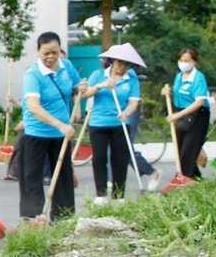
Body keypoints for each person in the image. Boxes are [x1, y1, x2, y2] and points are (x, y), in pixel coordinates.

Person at [18, 32, 86, 221]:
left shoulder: (66, 66)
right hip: (36, 132)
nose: (50, 57)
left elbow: (77, 88)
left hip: (61, 133)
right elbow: (33, 107)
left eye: (54, 52)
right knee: (32, 175)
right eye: (46, 53)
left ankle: (63, 217)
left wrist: (81, 92)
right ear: (38, 51)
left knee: (63, 176)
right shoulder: (33, 74)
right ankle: (33, 217)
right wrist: (60, 125)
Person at [81, 43, 144, 205]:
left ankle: (118, 195)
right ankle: (100, 194)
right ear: (111, 61)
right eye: (119, 62)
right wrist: (101, 85)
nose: (122, 67)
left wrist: (127, 113)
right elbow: (85, 94)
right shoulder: (98, 75)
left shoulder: (132, 79)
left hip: (120, 123)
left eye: (126, 64)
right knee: (99, 157)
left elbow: (133, 102)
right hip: (98, 122)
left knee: (120, 159)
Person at [161, 47, 210, 179]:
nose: (183, 63)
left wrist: (177, 116)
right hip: (182, 114)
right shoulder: (179, 76)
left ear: (194, 62)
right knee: (180, 149)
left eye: (187, 60)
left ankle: (184, 179)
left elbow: (199, 102)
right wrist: (168, 94)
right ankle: (196, 179)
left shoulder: (198, 78)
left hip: (197, 116)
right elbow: (177, 98)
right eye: (181, 60)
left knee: (188, 152)